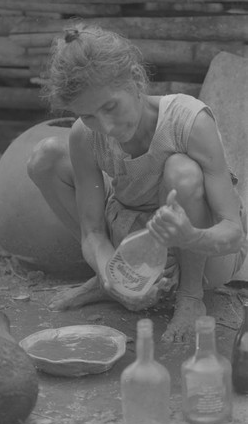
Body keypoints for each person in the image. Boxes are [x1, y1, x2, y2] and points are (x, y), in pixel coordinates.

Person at [27, 22, 248, 343]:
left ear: (134, 79)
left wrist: (190, 236)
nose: (106, 126)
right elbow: (91, 232)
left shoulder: (188, 121)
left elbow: (233, 234)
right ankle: (112, 279)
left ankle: (190, 298)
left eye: (110, 106)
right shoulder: (85, 134)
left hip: (205, 252)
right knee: (44, 157)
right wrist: (111, 278)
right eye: (88, 115)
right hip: (137, 243)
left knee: (181, 171)